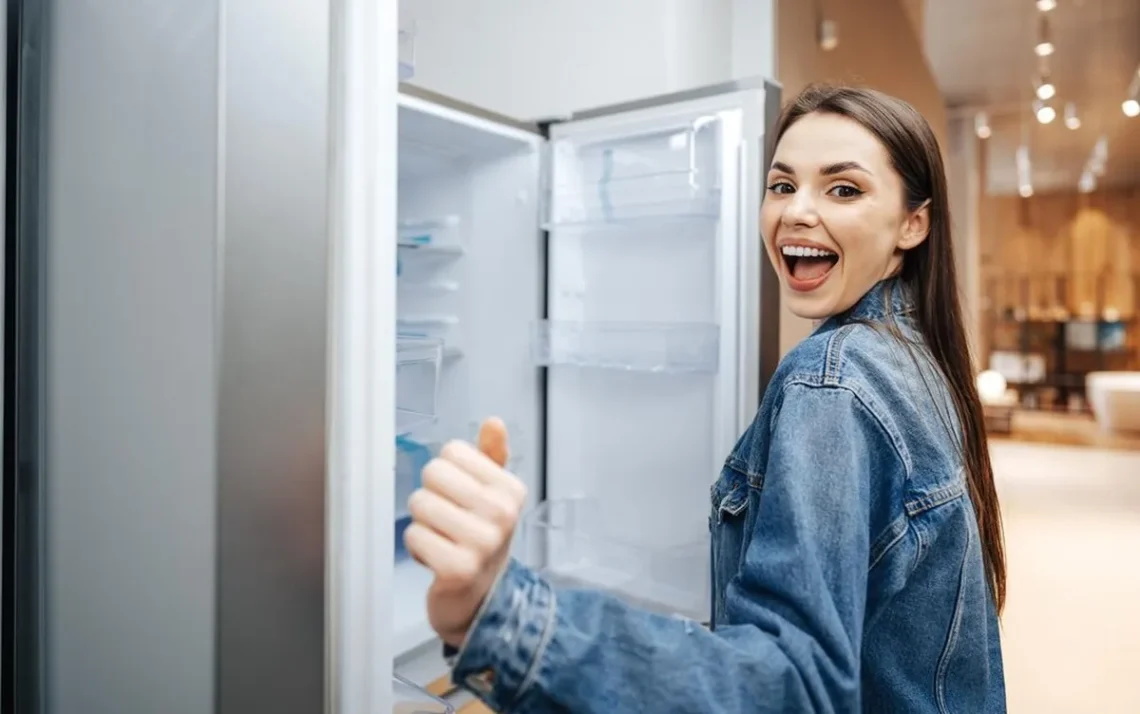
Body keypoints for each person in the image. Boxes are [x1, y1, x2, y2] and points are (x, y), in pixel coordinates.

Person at [403, 84, 1007, 713]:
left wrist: (500, 614)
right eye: (781, 185)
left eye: (843, 189)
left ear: (914, 223)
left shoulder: (834, 380)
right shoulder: (913, 355)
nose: (797, 212)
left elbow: (792, 689)